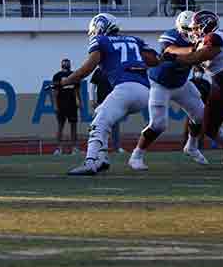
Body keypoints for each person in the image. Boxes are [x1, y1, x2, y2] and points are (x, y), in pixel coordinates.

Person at [60, 13, 160, 176]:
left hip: (125, 88)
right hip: (145, 91)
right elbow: (155, 60)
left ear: (100, 27)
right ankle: (102, 158)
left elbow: (86, 69)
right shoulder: (134, 40)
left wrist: (65, 81)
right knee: (102, 116)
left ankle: (90, 162)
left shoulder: (101, 40)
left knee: (98, 122)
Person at [162, 10, 223, 171]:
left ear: (207, 25)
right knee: (209, 127)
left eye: (197, 27)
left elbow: (198, 57)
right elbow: (191, 54)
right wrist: (170, 53)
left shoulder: (215, 36)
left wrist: (174, 57)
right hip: (219, 86)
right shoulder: (201, 42)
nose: (194, 31)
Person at [128, 10, 211, 171]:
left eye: (195, 28)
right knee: (158, 124)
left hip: (181, 84)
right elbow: (169, 50)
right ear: (181, 28)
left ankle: (192, 146)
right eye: (190, 29)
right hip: (160, 84)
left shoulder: (201, 38)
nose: (194, 32)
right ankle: (136, 155)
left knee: (201, 116)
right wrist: (193, 51)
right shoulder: (171, 35)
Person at [51, 57, 79, 156]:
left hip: (72, 105)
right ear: (61, 64)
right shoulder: (57, 76)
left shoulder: (74, 75)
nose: (66, 64)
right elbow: (54, 92)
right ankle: (58, 148)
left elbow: (76, 90)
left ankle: (74, 148)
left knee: (74, 126)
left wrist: (78, 101)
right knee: (60, 126)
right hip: (61, 105)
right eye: (65, 63)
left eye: (68, 63)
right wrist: (55, 105)